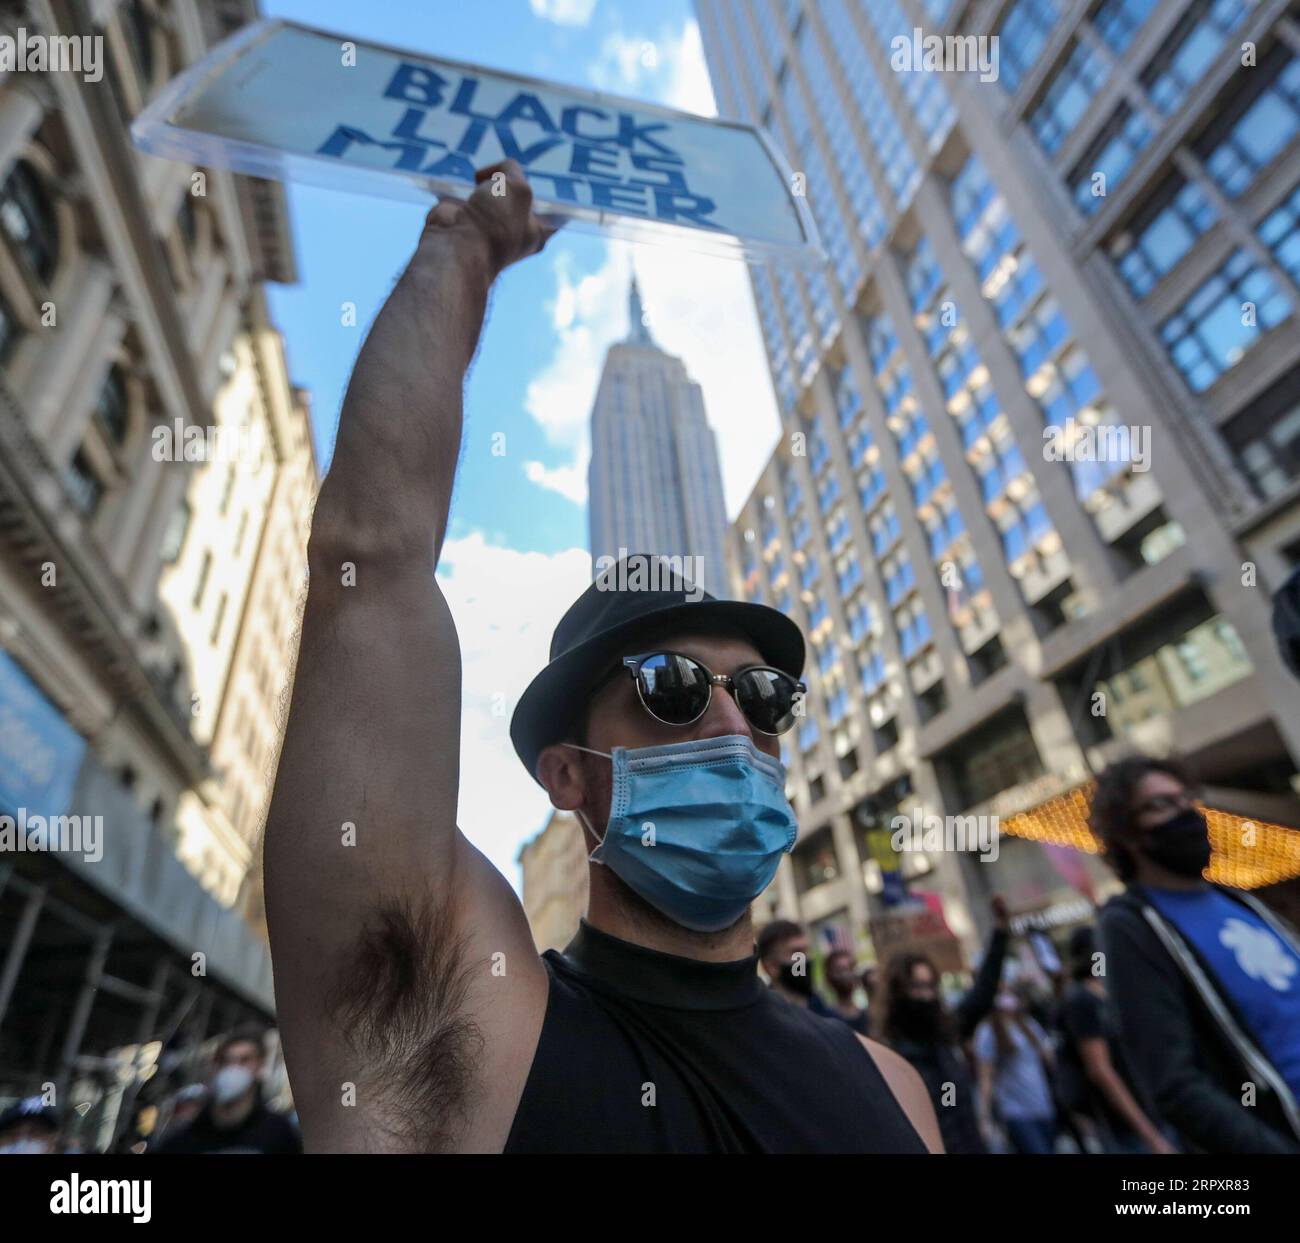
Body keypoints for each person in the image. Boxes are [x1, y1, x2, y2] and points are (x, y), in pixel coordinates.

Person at [262, 160, 941, 1155]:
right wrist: (462, 251)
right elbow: (370, 558)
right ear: (568, 773)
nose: (731, 724)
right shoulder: (462, 1037)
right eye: (667, 690)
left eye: (764, 695)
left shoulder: (896, 1088)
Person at [1094, 755, 1300, 1153]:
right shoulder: (1131, 927)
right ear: (1128, 834)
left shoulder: (1240, 901)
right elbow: (1174, 1085)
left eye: (1185, 798)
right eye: (1160, 805)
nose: (1185, 813)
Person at [873, 896, 1010, 1153]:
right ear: (897, 993)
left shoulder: (945, 1032)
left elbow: (983, 992)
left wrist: (1001, 931)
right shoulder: (890, 1056)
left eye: (930, 986)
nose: (926, 996)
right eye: (916, 987)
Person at [1056, 926, 1174, 1154]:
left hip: (1155, 1111)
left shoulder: (1111, 993)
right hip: (1129, 1127)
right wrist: (1150, 1135)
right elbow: (1101, 1071)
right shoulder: (1082, 1001)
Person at [153, 1026, 301, 1154]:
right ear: (216, 1066)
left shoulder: (279, 1134)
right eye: (226, 1060)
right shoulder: (185, 1138)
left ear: (260, 1067)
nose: (233, 1068)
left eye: (244, 1060)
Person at [973, 988, 1058, 1153]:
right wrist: (984, 1118)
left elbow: (1048, 1056)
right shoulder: (988, 1032)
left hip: (1043, 1106)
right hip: (1016, 1112)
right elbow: (985, 1078)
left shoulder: (1028, 1024)